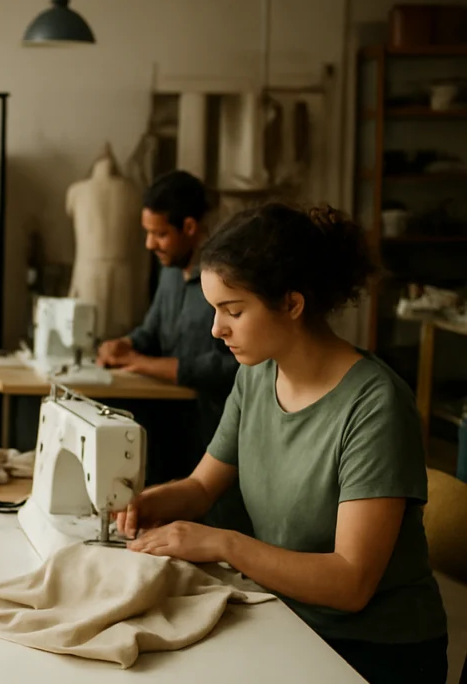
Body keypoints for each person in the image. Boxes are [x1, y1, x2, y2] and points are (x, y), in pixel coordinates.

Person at [115, 203, 448, 684]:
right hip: (286, 618)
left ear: (292, 304)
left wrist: (222, 542)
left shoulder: (374, 405)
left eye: (233, 310)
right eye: (214, 310)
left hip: (374, 652)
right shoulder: (256, 377)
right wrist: (150, 501)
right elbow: (202, 487)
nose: (216, 329)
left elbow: (350, 582)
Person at [96, 170, 238, 485]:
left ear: (189, 227)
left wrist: (144, 363)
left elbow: (231, 367)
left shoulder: (226, 280)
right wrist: (126, 344)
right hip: (170, 424)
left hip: (213, 432)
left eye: (159, 234)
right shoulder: (170, 272)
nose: (149, 244)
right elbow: (151, 333)